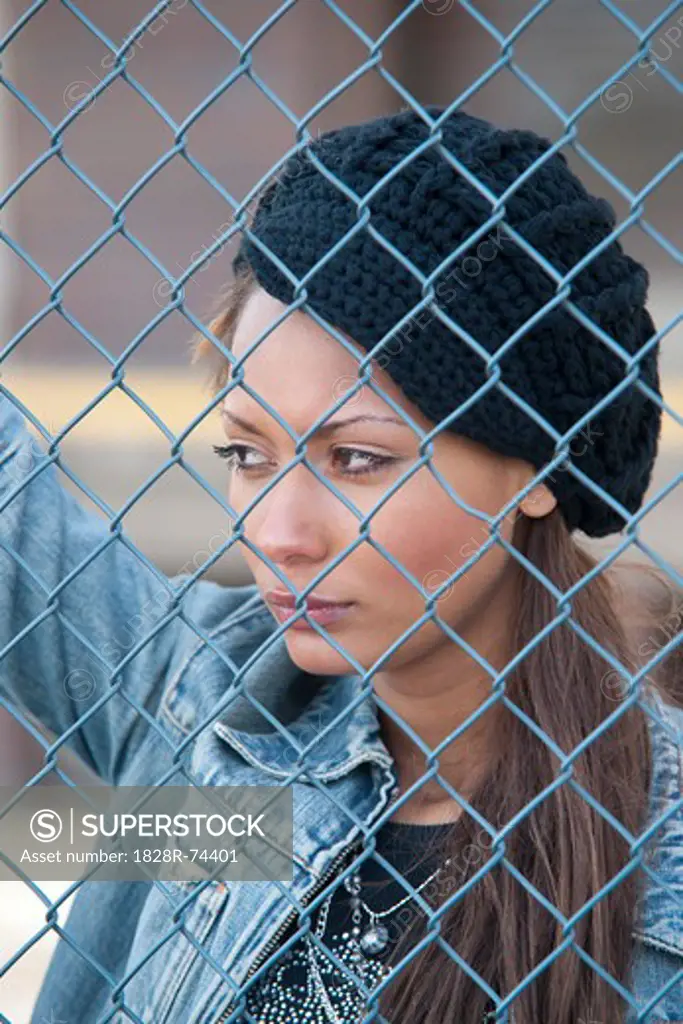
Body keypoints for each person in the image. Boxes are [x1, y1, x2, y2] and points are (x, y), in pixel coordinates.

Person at [1, 105, 681, 1024]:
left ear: (537, 471)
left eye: (356, 459)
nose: (279, 532)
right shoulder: (206, 707)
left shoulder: (654, 861)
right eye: (247, 454)